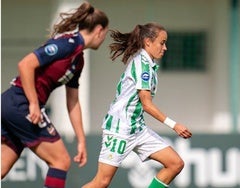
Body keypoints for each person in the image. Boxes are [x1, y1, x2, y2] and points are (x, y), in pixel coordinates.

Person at [1, 2, 109, 188]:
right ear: (99, 30)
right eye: (105, 34)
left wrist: (81, 140)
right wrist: (33, 103)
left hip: (15, 106)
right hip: (21, 103)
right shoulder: (67, 44)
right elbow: (25, 64)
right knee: (60, 161)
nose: (103, 39)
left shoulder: (78, 60)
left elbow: (73, 101)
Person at [82, 23, 192, 188]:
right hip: (119, 129)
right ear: (148, 42)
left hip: (137, 128)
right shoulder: (142, 65)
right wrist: (174, 125)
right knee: (101, 182)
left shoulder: (148, 63)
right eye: (162, 43)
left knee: (175, 164)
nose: (165, 47)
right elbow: (146, 104)